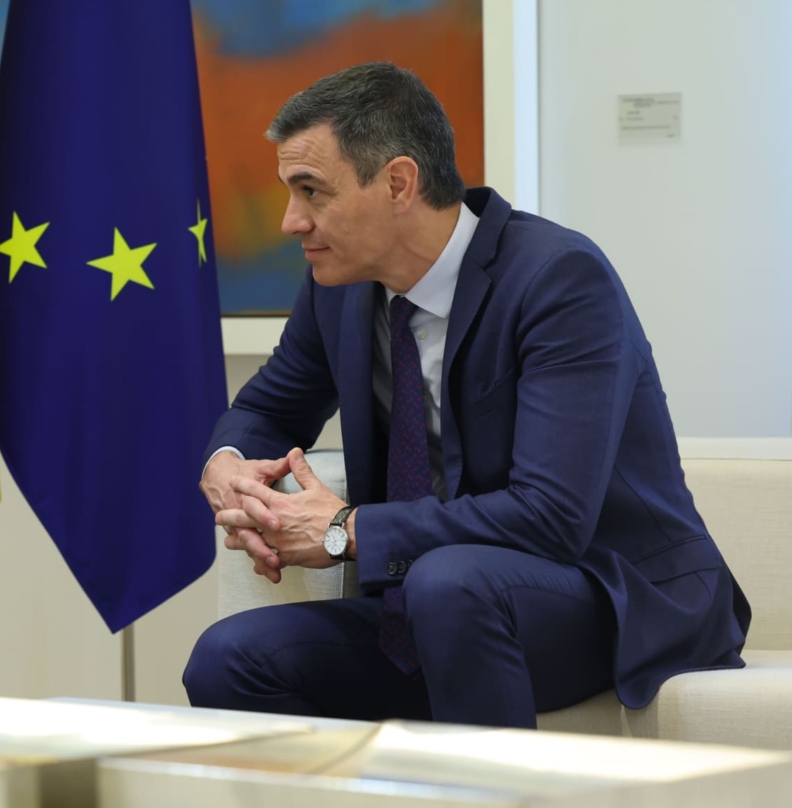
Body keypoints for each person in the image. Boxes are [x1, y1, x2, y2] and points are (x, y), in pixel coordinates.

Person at [183, 63, 749, 728]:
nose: (290, 222)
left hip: (604, 596)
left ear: (398, 183)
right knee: (227, 658)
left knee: (449, 584)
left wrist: (347, 530)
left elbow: (551, 517)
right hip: (428, 602)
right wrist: (226, 466)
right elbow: (269, 410)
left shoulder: (559, 280)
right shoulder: (336, 290)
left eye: (312, 192)